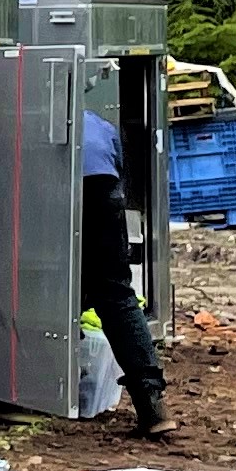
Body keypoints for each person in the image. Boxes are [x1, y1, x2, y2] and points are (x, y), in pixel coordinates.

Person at [80, 95, 167, 436]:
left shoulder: (20, 113)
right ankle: (152, 405)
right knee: (115, 292)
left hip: (64, 181)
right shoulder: (94, 120)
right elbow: (118, 173)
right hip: (104, 187)